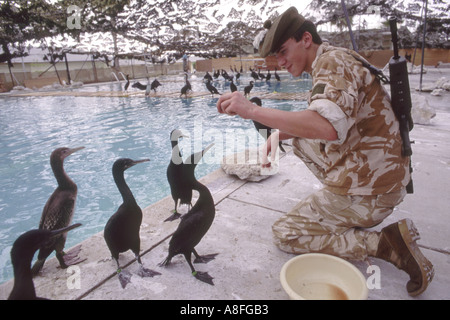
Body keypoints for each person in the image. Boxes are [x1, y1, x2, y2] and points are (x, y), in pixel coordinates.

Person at [216, 7, 434, 296]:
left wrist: (252, 110)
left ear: (306, 38)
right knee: (296, 138)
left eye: (283, 51)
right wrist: (277, 135)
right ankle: (339, 204)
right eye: (276, 57)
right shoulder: (333, 58)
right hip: (383, 176)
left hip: (373, 192)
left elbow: (326, 127)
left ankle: (385, 243)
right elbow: (324, 120)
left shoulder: (332, 63)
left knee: (286, 233)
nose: (281, 62)